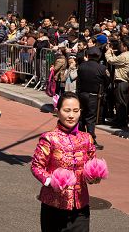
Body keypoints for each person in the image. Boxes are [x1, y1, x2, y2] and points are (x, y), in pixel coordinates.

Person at [31, 92, 98, 232]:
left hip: (80, 207)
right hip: (53, 206)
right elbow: (36, 166)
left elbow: (91, 166)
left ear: (80, 112)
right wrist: (51, 181)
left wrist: (93, 177)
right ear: (57, 111)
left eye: (75, 111)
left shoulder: (87, 139)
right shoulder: (49, 138)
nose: (71, 115)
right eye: (67, 110)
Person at [77, 47, 109, 150]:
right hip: (93, 96)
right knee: (90, 118)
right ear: (98, 56)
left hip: (82, 94)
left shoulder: (81, 66)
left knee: (81, 117)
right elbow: (107, 81)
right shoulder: (102, 68)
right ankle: (91, 140)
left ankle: (81, 138)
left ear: (88, 56)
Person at [105, 39, 129, 128]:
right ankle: (120, 120)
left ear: (125, 47)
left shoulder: (124, 56)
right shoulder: (128, 55)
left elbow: (111, 60)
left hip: (122, 81)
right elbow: (116, 59)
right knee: (122, 102)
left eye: (121, 45)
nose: (120, 47)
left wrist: (108, 52)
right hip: (124, 81)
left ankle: (121, 122)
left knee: (120, 102)